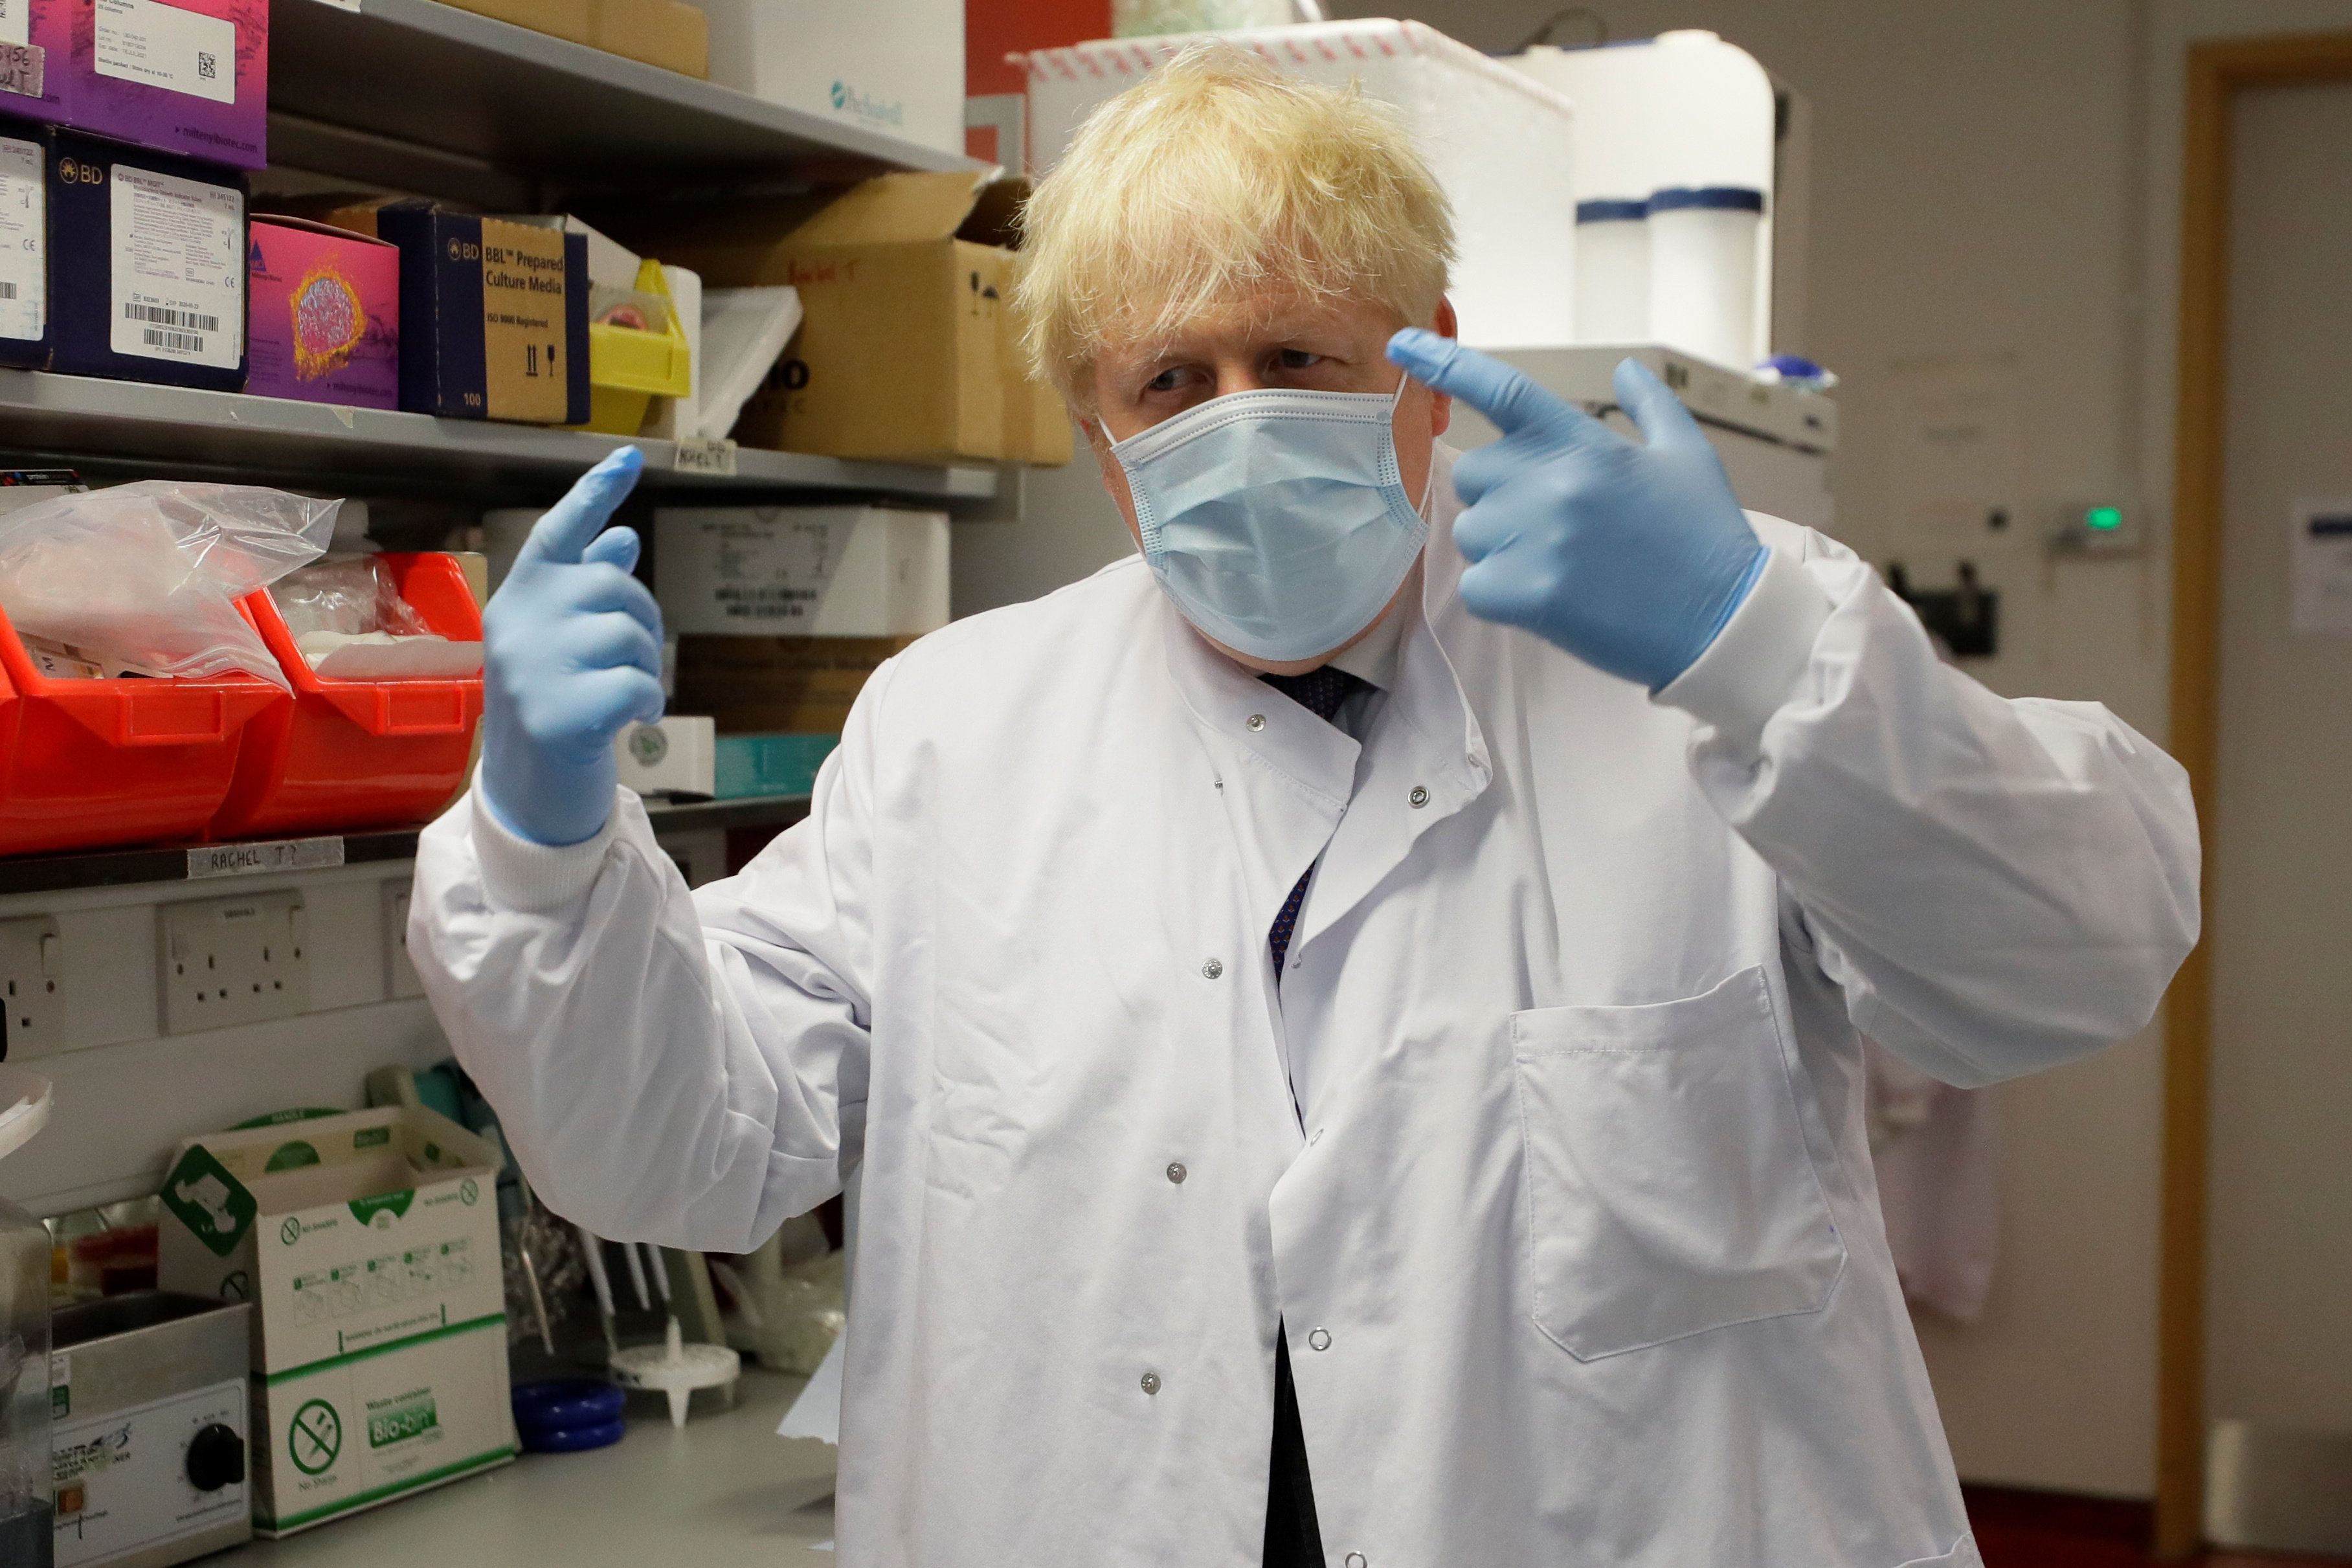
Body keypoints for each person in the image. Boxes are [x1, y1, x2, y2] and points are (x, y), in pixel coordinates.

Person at [412, 46, 2199, 1568]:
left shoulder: (1690, 653)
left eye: (1300, 359)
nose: (1237, 421)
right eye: (1170, 383)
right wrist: (545, 838)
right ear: (1101, 439)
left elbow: (2074, 954)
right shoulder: (954, 733)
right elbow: (687, 1150)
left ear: (1429, 364)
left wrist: (1747, 645)